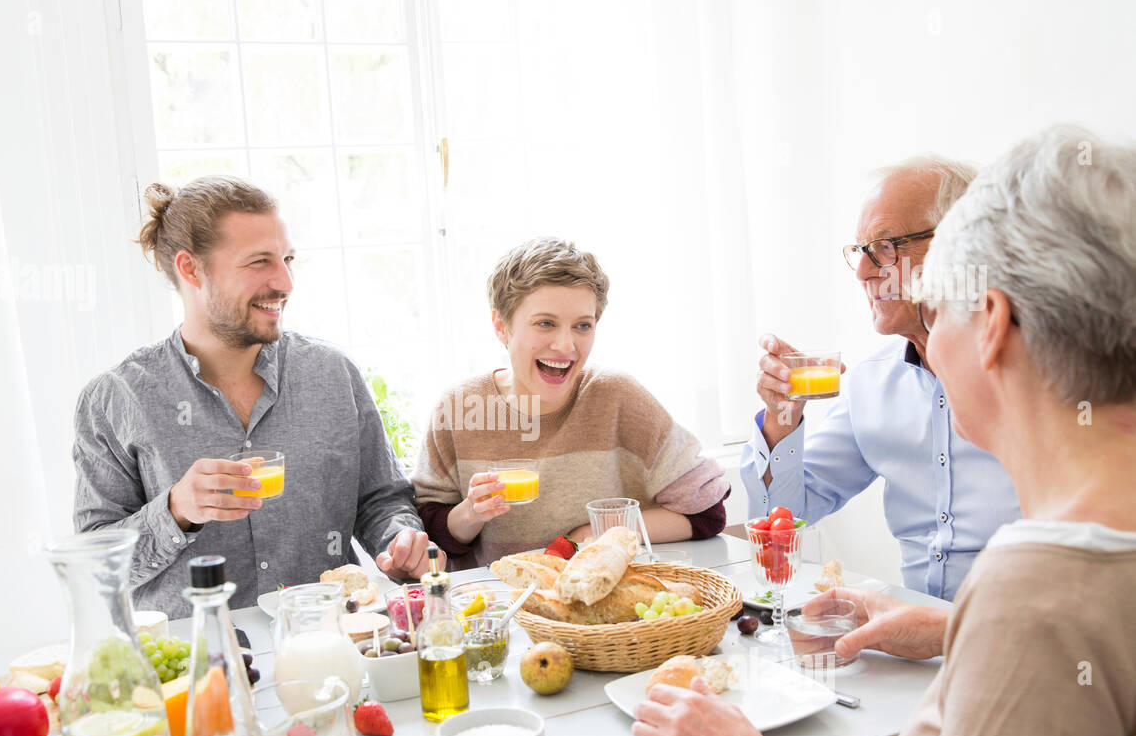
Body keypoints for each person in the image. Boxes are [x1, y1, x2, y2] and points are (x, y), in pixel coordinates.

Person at [635, 125, 1136, 736]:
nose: (927, 338)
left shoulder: (1039, 593)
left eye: (940, 306)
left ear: (990, 322)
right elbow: (786, 509)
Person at [73, 176, 429, 619]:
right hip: (197, 667)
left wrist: (400, 539)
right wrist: (176, 509)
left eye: (287, 259)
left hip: (328, 644)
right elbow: (94, 568)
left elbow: (381, 499)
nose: (285, 281)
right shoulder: (117, 398)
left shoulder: (332, 374)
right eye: (259, 262)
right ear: (190, 269)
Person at [739, 157, 1020, 600]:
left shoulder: (1044, 376)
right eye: (860, 251)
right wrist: (781, 421)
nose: (864, 272)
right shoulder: (872, 382)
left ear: (964, 244)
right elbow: (784, 515)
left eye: (886, 247)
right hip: (917, 646)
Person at [413, 237, 729, 568]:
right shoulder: (459, 408)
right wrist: (471, 512)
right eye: (545, 323)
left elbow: (707, 512)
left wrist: (592, 532)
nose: (566, 346)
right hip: (502, 609)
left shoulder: (618, 396)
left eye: (582, 326)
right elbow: (428, 529)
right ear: (501, 327)